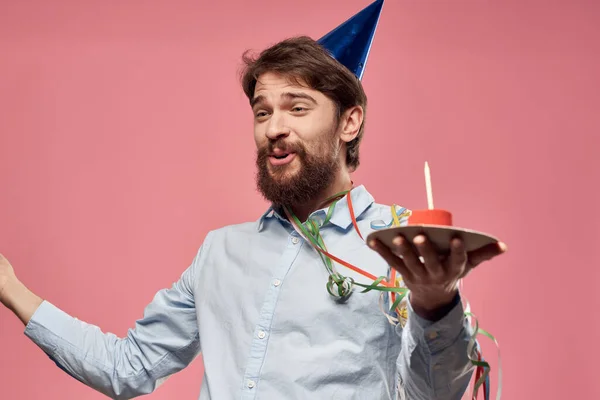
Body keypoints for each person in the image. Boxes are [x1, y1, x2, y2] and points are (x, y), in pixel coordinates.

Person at [0, 1, 506, 399]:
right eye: (262, 113)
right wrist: (11, 288)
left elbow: (433, 396)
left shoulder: (403, 245)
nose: (275, 129)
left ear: (349, 122)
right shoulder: (219, 253)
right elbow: (126, 368)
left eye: (298, 107)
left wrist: (435, 306)